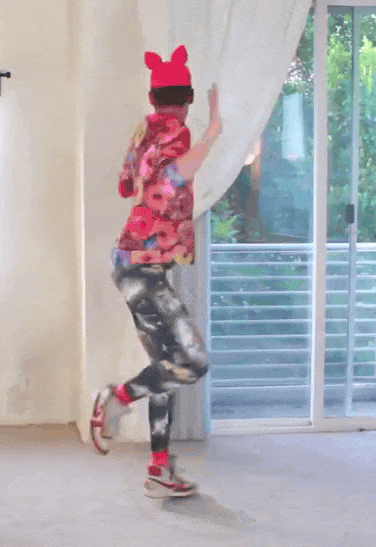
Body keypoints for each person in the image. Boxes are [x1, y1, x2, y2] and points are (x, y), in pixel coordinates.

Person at [90, 45, 221, 498]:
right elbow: (167, 187)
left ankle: (159, 470)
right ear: (187, 100)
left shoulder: (143, 134)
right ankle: (117, 398)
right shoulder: (178, 133)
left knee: (165, 365)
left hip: (132, 266)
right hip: (143, 271)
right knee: (193, 362)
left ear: (152, 98)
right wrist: (212, 134)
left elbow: (126, 186)